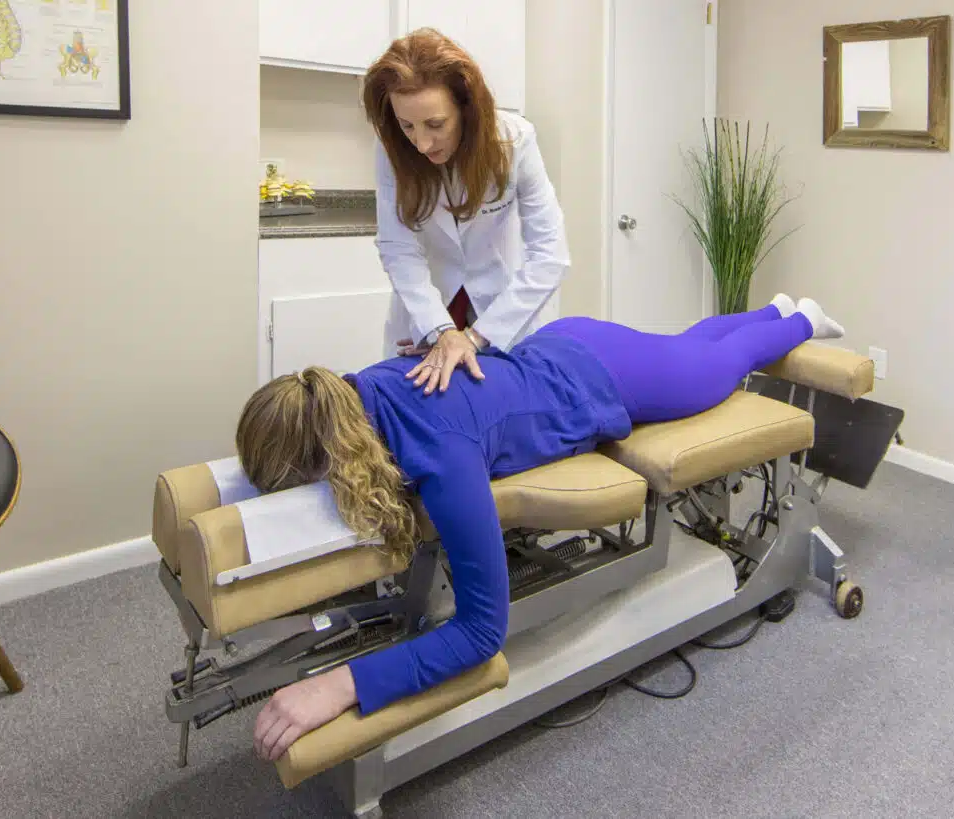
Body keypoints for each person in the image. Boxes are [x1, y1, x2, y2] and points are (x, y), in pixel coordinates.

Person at [244, 294, 846, 761]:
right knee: (686, 347)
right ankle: (772, 308)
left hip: (602, 375)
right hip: (559, 347)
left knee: (720, 364)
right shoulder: (350, 392)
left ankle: (799, 320)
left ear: (331, 461)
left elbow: (482, 632)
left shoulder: (441, 455)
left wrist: (341, 685)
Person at [362, 28, 570, 397]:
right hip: (429, 314)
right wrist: (440, 331)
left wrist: (474, 338)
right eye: (407, 125)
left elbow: (550, 254)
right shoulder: (391, 147)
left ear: (466, 108)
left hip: (503, 314)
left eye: (436, 125)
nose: (422, 143)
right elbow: (398, 248)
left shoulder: (514, 141)